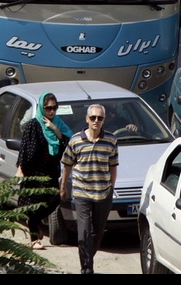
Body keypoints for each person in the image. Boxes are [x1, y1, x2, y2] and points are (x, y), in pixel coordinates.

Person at [60, 104, 119, 274]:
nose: (96, 121)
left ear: (104, 120)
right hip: (82, 192)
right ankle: (86, 268)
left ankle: (88, 258)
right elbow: (67, 165)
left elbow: (113, 166)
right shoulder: (76, 140)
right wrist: (63, 187)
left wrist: (111, 187)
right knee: (84, 231)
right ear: (87, 119)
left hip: (103, 193)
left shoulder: (111, 140)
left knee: (97, 232)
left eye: (99, 118)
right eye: (93, 118)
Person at [16, 92, 71, 250]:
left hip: (51, 170)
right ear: (42, 107)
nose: (51, 111)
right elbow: (24, 149)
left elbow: (67, 144)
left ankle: (36, 222)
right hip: (33, 171)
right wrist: (20, 168)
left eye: (54, 108)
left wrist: (54, 129)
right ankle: (34, 239)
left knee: (54, 200)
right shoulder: (33, 125)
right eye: (48, 108)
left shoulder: (59, 124)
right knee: (33, 204)